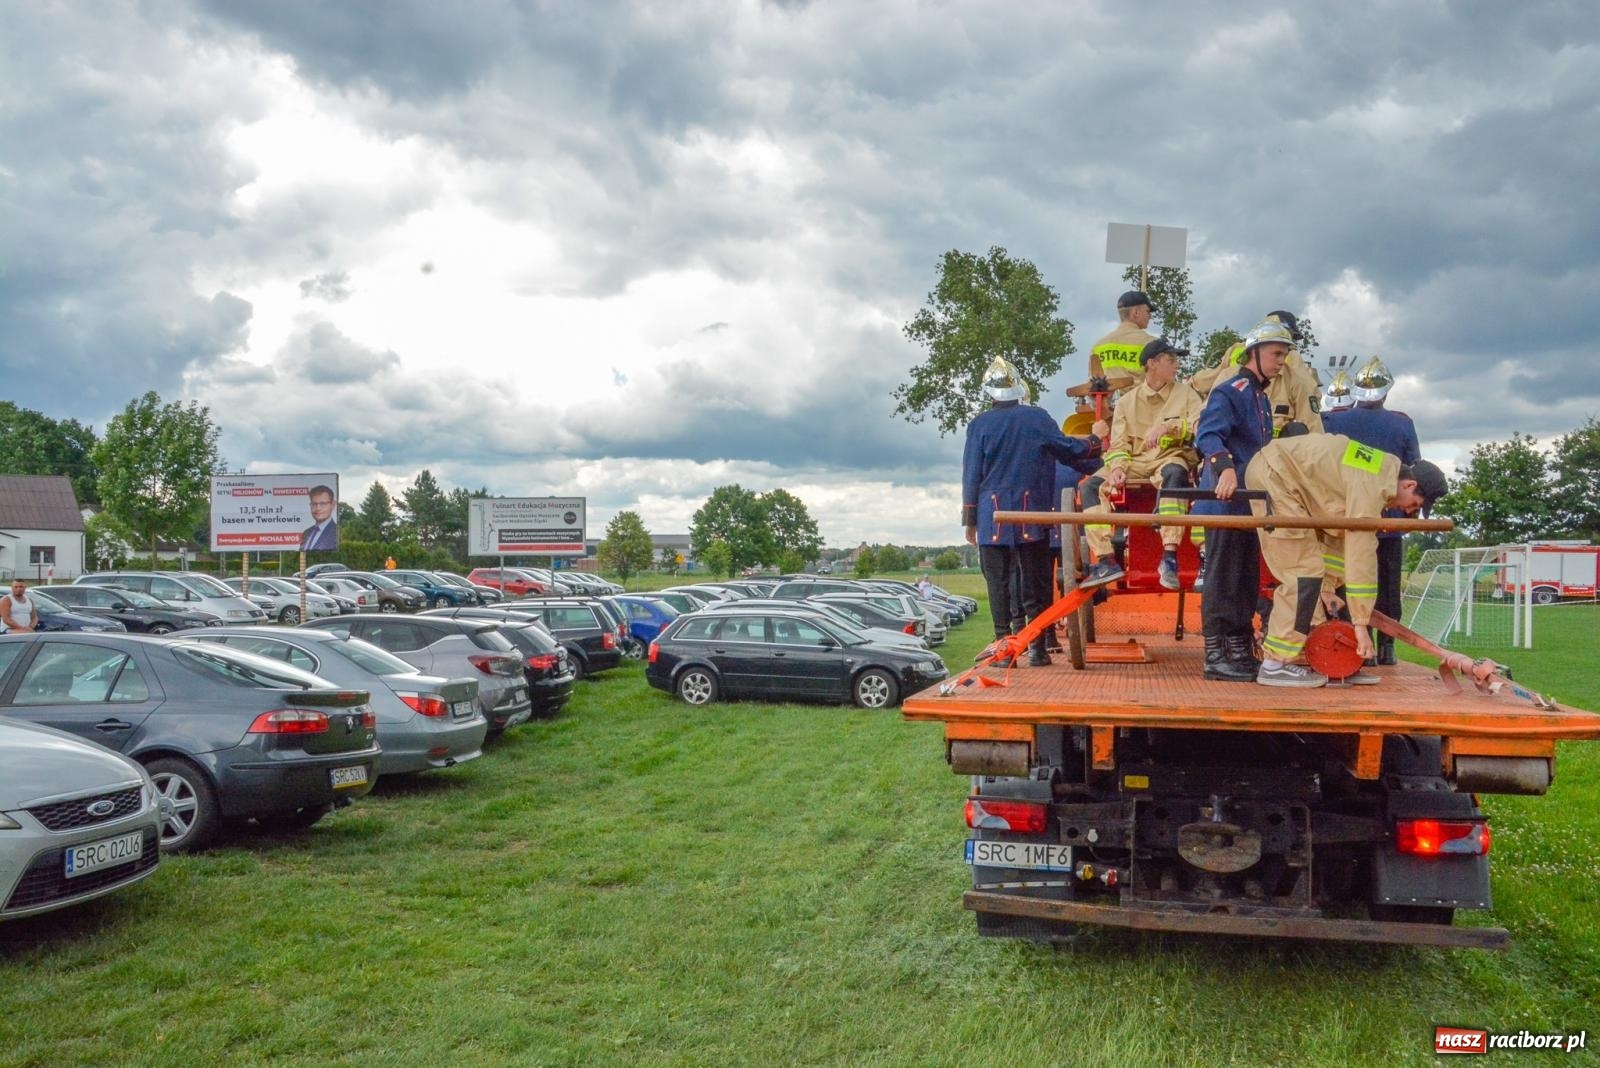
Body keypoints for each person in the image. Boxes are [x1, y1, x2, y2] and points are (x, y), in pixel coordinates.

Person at [1243, 433, 1447, 687]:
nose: (1409, 512)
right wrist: (1360, 625)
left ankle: (1320, 656)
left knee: (1314, 574)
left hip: (1283, 476)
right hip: (1274, 476)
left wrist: (1327, 589)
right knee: (1302, 574)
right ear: (1408, 485)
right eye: (1415, 505)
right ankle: (1275, 665)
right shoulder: (1371, 484)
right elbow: (1361, 552)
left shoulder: (1377, 473)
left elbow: (1338, 537)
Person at [963, 355, 1107, 666]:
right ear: (1018, 389)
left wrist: (970, 520)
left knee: (999, 586)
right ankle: (1038, 648)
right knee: (1036, 583)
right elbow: (1069, 450)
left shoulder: (978, 425)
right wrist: (1096, 440)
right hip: (1033, 512)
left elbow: (971, 473)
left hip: (992, 517)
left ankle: (1004, 651)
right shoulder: (1037, 418)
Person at [1193, 319, 1293, 682]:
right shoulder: (1230, 390)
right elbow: (1208, 435)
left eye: (1283, 355)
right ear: (1254, 353)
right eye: (1276, 354)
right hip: (1225, 503)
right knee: (1222, 581)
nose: (1281, 361)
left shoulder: (1260, 397)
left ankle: (1238, 648)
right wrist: (1225, 469)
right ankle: (1216, 655)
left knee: (1244, 580)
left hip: (1248, 504)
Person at [1079, 337, 1204, 590]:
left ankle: (1169, 558)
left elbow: (1200, 428)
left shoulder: (1187, 394)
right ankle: (1105, 560)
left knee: (1174, 473)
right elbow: (1118, 445)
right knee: (1090, 487)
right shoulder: (1127, 402)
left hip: (1170, 458)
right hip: (1135, 461)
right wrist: (1116, 469)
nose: (1176, 366)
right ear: (1152, 364)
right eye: (1171, 360)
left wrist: (1170, 426)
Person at [1322, 356, 1420, 665]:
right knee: (1388, 585)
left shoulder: (1333, 420)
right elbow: (1413, 472)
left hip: (1344, 516)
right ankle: (1387, 648)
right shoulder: (1402, 423)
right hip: (1389, 519)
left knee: (1347, 578)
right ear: (1386, 391)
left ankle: (1353, 641)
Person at [1204, 310, 1324, 436]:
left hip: (1279, 452)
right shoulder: (1228, 379)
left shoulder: (1294, 379)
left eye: (1286, 349)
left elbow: (1313, 427)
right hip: (1236, 452)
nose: (1282, 359)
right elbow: (1207, 421)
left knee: (1297, 430)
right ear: (1256, 350)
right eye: (1276, 352)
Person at [1087, 291, 1157, 391]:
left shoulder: (1098, 346)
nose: (1150, 316)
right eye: (1148, 312)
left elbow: (1091, 383)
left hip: (1104, 404)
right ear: (1136, 312)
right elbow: (1159, 383)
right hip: (1139, 404)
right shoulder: (1152, 343)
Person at [301, 485, 339, 551]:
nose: (318, 508)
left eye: (323, 503)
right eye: (314, 504)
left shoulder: (336, 532)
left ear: (332, 505)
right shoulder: (306, 533)